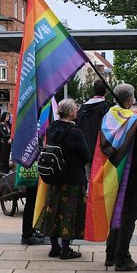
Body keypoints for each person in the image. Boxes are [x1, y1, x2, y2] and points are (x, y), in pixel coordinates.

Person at [103, 83, 137, 271]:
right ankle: (123, 258)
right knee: (128, 215)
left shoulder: (108, 118)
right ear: (130, 99)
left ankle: (110, 254)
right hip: (132, 173)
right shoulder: (133, 120)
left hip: (113, 171)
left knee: (116, 212)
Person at [37, 99, 90, 260]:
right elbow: (85, 155)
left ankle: (54, 247)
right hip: (72, 177)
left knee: (54, 210)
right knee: (69, 212)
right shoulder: (75, 132)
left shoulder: (52, 128)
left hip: (54, 177)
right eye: (75, 109)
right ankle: (66, 249)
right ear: (71, 113)